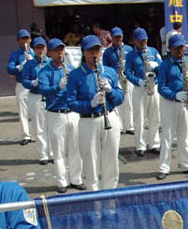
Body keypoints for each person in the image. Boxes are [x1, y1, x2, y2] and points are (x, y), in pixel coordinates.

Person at [66, 35, 125, 190]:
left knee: (111, 160)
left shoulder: (109, 72)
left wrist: (110, 91)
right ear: (83, 52)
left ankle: (110, 194)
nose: (94, 53)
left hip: (109, 116)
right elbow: (71, 102)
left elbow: (120, 97)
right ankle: (93, 195)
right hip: (88, 121)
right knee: (90, 161)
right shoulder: (75, 75)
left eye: (97, 49)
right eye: (90, 50)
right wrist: (90, 104)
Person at [38, 38, 85, 193]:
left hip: (72, 112)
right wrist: (58, 87)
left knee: (76, 148)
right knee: (58, 150)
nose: (60, 53)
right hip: (56, 113)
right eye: (56, 51)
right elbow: (43, 90)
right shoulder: (45, 71)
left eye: (61, 50)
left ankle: (76, 179)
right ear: (50, 53)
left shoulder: (70, 69)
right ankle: (62, 182)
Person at [154, 34, 188, 180]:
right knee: (167, 137)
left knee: (184, 136)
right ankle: (164, 167)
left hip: (187, 101)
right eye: (177, 48)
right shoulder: (164, 65)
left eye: (182, 47)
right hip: (170, 103)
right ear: (170, 49)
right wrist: (174, 95)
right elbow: (161, 87)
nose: (180, 50)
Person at [125, 27, 162, 156]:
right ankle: (140, 145)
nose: (143, 42)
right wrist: (138, 81)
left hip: (153, 85)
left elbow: (162, 66)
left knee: (155, 116)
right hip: (139, 88)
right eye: (140, 40)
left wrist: (156, 66)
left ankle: (154, 144)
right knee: (139, 117)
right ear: (134, 41)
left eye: (145, 40)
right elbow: (127, 73)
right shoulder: (131, 55)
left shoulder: (153, 51)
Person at [21, 37, 52, 165]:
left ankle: (52, 153)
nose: (40, 50)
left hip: (50, 96)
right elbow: (24, 80)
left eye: (42, 47)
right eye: (38, 48)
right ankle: (43, 154)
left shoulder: (50, 62)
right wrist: (33, 83)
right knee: (39, 127)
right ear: (34, 49)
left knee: (51, 126)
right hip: (36, 96)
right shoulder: (29, 64)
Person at [102, 27, 134, 135]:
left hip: (127, 77)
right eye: (116, 37)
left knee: (129, 102)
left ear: (122, 37)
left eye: (120, 37)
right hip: (116, 77)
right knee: (118, 102)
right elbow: (106, 68)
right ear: (111, 37)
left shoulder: (128, 49)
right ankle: (120, 126)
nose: (118, 39)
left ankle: (129, 126)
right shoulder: (107, 52)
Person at [6, 29, 34, 145]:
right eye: (22, 38)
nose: (25, 40)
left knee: (38, 111)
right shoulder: (15, 55)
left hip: (34, 85)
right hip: (22, 85)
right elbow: (10, 69)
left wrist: (34, 62)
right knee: (23, 112)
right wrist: (21, 66)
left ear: (30, 39)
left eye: (27, 38)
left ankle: (40, 134)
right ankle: (26, 135)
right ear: (18, 40)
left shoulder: (35, 52)